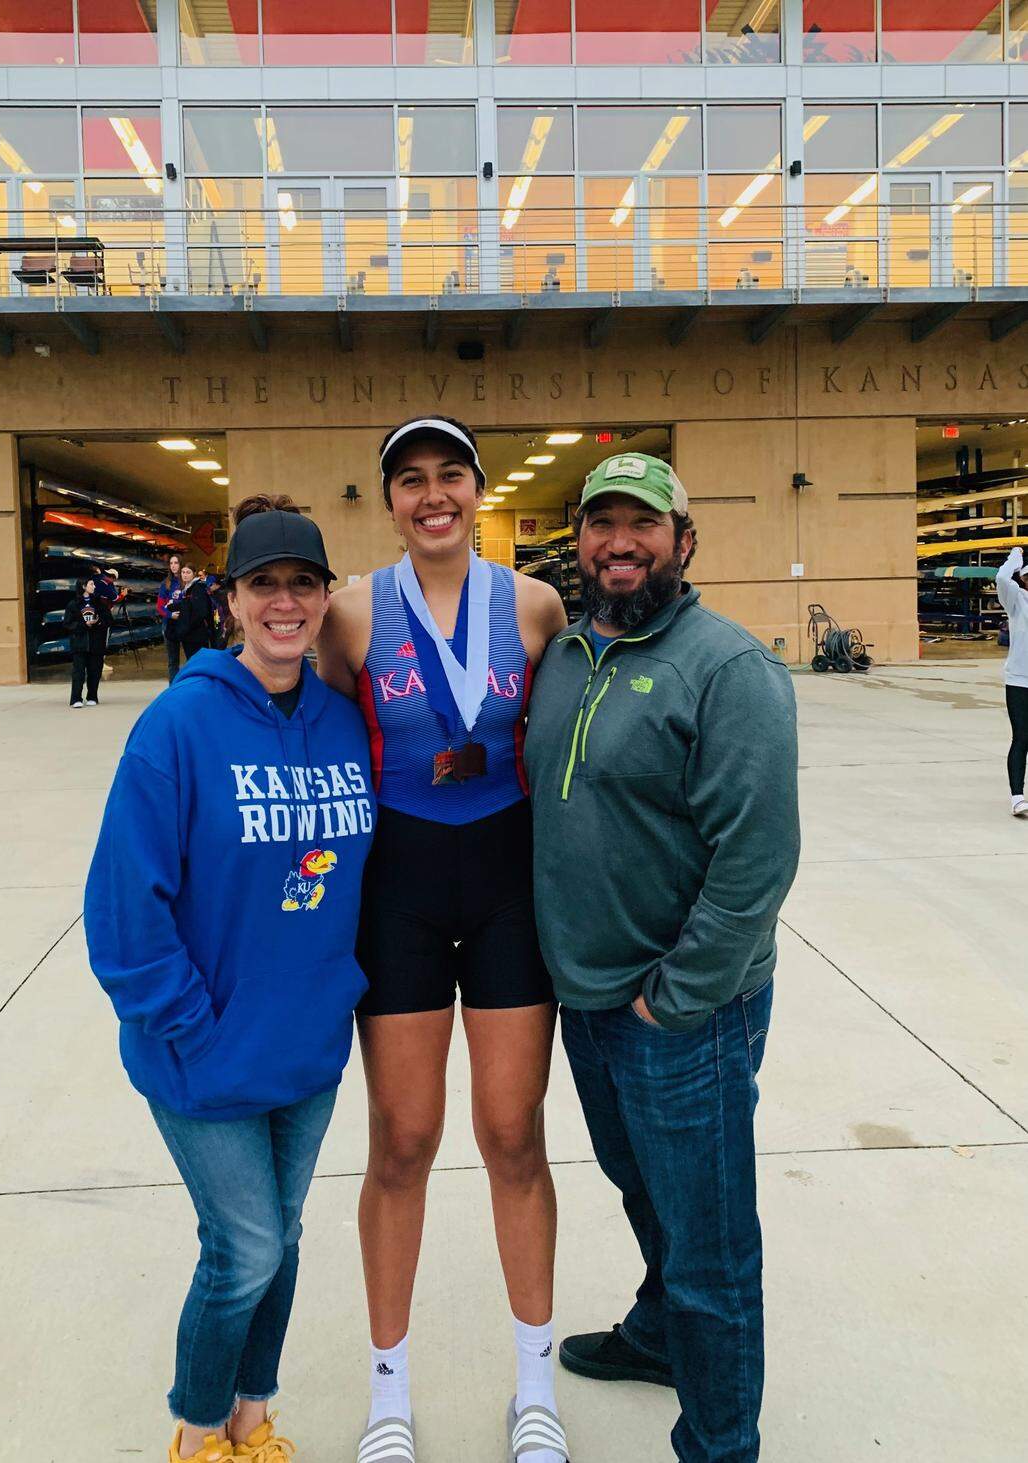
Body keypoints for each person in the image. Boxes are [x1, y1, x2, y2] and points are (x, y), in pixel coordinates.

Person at [85, 494, 376, 1463]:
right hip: (203, 1052)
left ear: (327, 597)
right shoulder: (179, 726)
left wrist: (345, 989)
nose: (284, 602)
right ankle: (198, 1428)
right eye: (264, 584)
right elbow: (125, 910)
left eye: (303, 583)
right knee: (243, 1246)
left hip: (308, 1046)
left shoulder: (345, 725)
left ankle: (254, 1417)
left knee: (283, 1239)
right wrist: (192, 1027)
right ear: (231, 600)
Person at [524, 453, 801, 1463]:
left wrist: (674, 998)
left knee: (712, 1247)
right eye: (602, 523)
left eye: (645, 524)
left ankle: (720, 1441)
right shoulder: (561, 654)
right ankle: (658, 1333)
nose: (620, 542)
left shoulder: (728, 668)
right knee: (642, 1184)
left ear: (685, 541)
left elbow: (758, 857)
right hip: (587, 997)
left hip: (684, 1010)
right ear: (582, 542)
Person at [318, 415, 569, 1463]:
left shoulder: (538, 604)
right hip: (402, 888)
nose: (433, 495)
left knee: (513, 1136)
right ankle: (389, 1393)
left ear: (477, 488)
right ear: (389, 501)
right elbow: (317, 733)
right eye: (411, 480)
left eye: (450, 476)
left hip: (508, 884)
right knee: (404, 1142)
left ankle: (535, 1386)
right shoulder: (348, 612)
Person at [995, 546, 1028, 817]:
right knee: (1022, 738)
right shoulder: (1017, 601)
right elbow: (1003, 579)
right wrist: (1014, 557)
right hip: (1019, 681)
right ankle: (1017, 797)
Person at [63, 575, 112, 708]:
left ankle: (92, 696)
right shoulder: (73, 604)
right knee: (78, 672)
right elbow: (67, 624)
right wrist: (84, 625)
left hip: (96, 644)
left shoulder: (99, 603)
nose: (94, 586)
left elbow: (108, 620)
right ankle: (75, 699)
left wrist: (98, 622)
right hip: (80, 644)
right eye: (91, 584)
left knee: (95, 671)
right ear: (84, 586)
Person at [171, 561, 214, 663]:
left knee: (198, 664)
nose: (185, 575)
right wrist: (171, 606)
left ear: (194, 573)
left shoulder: (197, 588)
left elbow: (201, 612)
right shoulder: (188, 589)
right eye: (183, 572)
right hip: (190, 635)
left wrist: (186, 627)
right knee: (193, 662)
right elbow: (188, 606)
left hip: (196, 636)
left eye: (188, 572)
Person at [158, 553, 185, 684]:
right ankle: (173, 688)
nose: (174, 566)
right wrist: (170, 615)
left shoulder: (186, 582)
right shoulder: (166, 584)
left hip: (186, 624)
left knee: (192, 658)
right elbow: (159, 607)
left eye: (176, 563)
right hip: (169, 625)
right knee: (173, 660)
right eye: (171, 563)